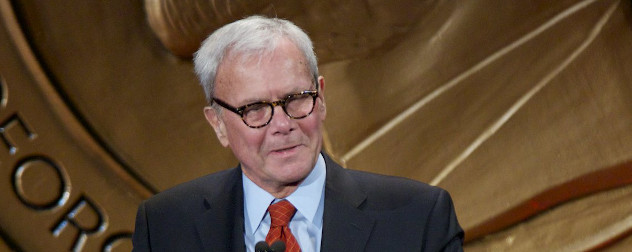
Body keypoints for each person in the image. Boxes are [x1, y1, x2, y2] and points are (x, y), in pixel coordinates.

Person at [132, 15, 463, 252]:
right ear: (218, 123)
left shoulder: (419, 218)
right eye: (255, 109)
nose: (282, 124)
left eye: (295, 99)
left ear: (320, 98)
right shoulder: (165, 225)